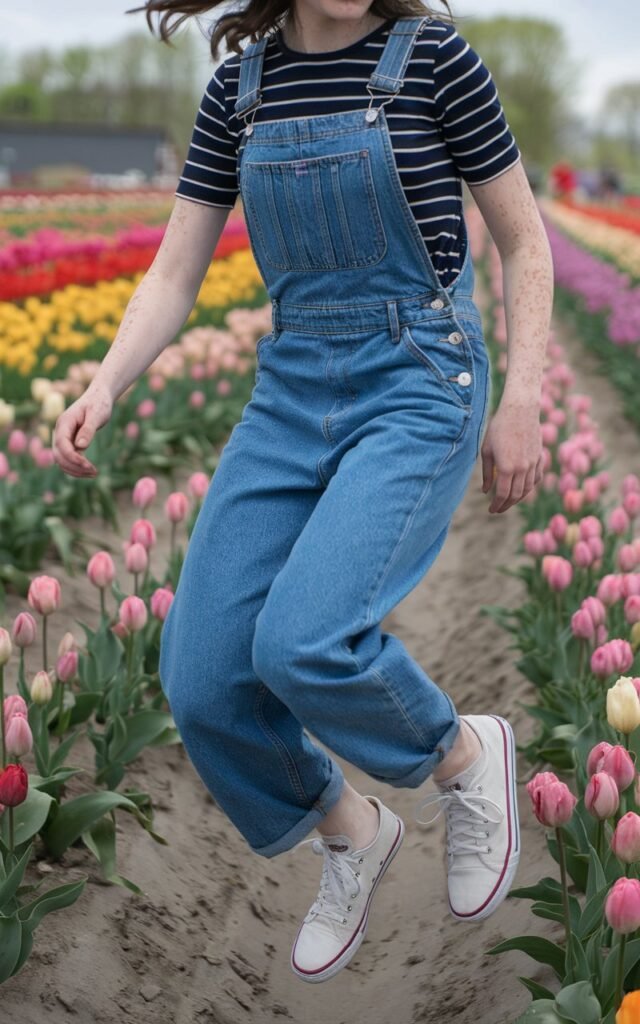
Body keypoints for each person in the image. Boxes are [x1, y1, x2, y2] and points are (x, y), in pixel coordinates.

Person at [53, 0, 553, 986]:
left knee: (301, 641)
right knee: (200, 677)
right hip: (291, 391)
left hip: (418, 378)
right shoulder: (239, 88)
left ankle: (459, 757)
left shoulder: (435, 59)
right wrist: (105, 383)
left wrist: (525, 399)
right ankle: (348, 830)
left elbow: (524, 241)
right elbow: (173, 268)